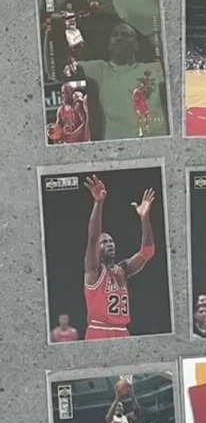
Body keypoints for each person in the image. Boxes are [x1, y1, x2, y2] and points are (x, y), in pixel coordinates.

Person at [81, 174, 156, 340]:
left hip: (122, 331)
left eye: (111, 241)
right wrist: (98, 203)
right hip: (99, 330)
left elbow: (147, 252)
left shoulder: (123, 270)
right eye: (104, 242)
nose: (109, 244)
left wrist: (145, 219)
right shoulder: (93, 271)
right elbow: (93, 238)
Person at [76, 22, 168, 140]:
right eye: (115, 35)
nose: (119, 38)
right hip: (119, 145)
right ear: (109, 46)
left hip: (156, 141)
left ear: (136, 45)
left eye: (125, 34)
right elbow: (64, 69)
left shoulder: (154, 68)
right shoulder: (99, 70)